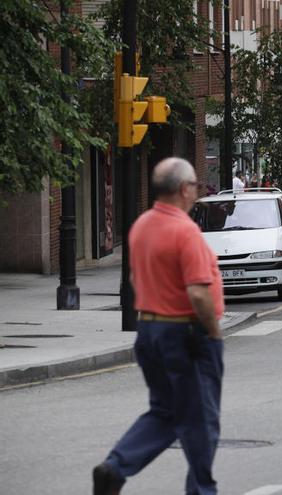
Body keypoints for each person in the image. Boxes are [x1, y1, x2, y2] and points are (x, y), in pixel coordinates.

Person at [93, 157, 224, 495]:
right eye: (195, 185)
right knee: (200, 420)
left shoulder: (141, 226)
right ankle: (202, 491)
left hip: (149, 331)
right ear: (183, 189)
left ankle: (115, 467)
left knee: (165, 411)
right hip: (185, 334)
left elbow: (137, 279)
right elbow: (197, 292)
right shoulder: (186, 231)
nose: (197, 191)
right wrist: (212, 331)